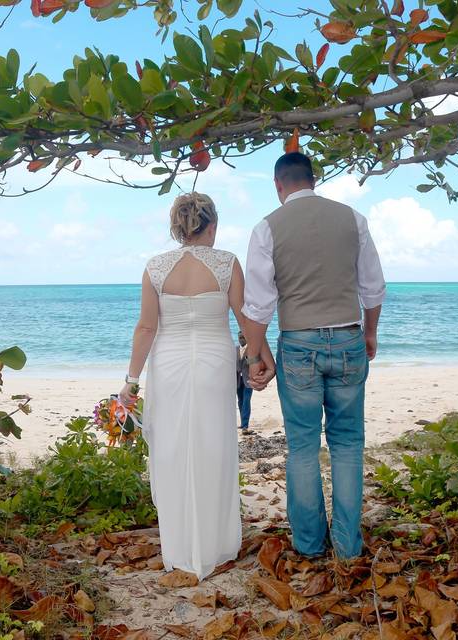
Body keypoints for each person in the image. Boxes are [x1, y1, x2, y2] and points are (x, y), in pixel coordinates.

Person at [118, 192, 275, 580]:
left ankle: (181, 546)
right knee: (213, 445)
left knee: (172, 450)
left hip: (168, 365)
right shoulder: (227, 263)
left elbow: (147, 328)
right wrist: (258, 359)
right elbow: (246, 319)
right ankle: (216, 544)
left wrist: (131, 382)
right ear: (213, 225)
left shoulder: (155, 267)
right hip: (213, 363)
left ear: (177, 227)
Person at [242, 152, 386, 560]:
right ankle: (346, 545)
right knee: (347, 444)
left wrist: (255, 358)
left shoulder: (267, 227)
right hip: (347, 337)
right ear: (313, 179)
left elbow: (258, 306)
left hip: (299, 344)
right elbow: (372, 287)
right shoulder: (353, 219)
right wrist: (370, 332)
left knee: (302, 447)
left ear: (278, 185)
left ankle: (307, 545)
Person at [236, 332, 253, 431]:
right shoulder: (235, 349)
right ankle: (243, 423)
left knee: (246, 401)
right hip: (238, 380)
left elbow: (255, 362)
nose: (241, 339)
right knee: (240, 401)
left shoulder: (251, 349)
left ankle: (245, 425)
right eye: (239, 337)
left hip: (248, 380)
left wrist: (248, 358)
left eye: (243, 337)